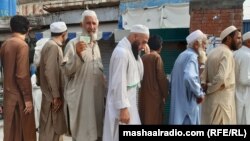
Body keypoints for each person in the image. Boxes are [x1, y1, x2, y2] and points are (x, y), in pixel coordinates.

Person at [62, 10, 105, 141]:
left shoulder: (96, 45)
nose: (91, 27)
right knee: (82, 135)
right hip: (81, 100)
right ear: (81, 24)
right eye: (88, 23)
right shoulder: (73, 44)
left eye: (94, 23)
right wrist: (78, 55)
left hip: (96, 99)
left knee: (97, 133)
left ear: (98, 25)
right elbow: (66, 71)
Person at [102, 24, 149, 141]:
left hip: (130, 104)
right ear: (134, 37)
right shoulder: (121, 53)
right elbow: (119, 82)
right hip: (122, 106)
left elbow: (139, 75)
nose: (144, 46)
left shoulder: (131, 52)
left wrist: (141, 55)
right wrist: (123, 109)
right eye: (143, 42)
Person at [0, 15, 36, 141]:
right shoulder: (22, 45)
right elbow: (21, 75)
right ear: (27, 29)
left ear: (11, 28)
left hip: (9, 98)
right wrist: (27, 99)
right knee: (24, 134)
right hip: (20, 100)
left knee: (11, 134)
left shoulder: (5, 44)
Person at [201, 25, 240, 124]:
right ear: (228, 38)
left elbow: (203, 76)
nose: (239, 41)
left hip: (210, 104)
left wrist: (206, 86)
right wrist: (209, 88)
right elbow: (221, 78)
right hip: (222, 106)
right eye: (237, 38)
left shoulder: (211, 52)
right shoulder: (227, 53)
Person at [169, 30, 207, 125]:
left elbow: (171, 80)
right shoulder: (192, 57)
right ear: (196, 44)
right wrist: (199, 93)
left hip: (178, 108)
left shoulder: (181, 56)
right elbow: (189, 77)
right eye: (204, 44)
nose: (205, 47)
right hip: (187, 110)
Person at [39, 21, 67, 141]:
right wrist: (56, 96)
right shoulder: (53, 47)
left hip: (50, 96)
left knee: (54, 131)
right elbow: (50, 71)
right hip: (52, 99)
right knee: (51, 132)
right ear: (64, 34)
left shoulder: (49, 45)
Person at [138, 35, 168, 124]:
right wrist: (165, 94)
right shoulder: (156, 57)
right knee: (155, 120)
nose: (162, 47)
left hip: (143, 95)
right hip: (155, 97)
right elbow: (161, 78)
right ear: (159, 45)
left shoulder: (142, 58)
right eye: (161, 45)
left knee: (145, 119)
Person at [233, 31, 250, 124]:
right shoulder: (247, 56)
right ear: (248, 42)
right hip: (244, 97)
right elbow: (244, 80)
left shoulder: (236, 53)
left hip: (237, 94)